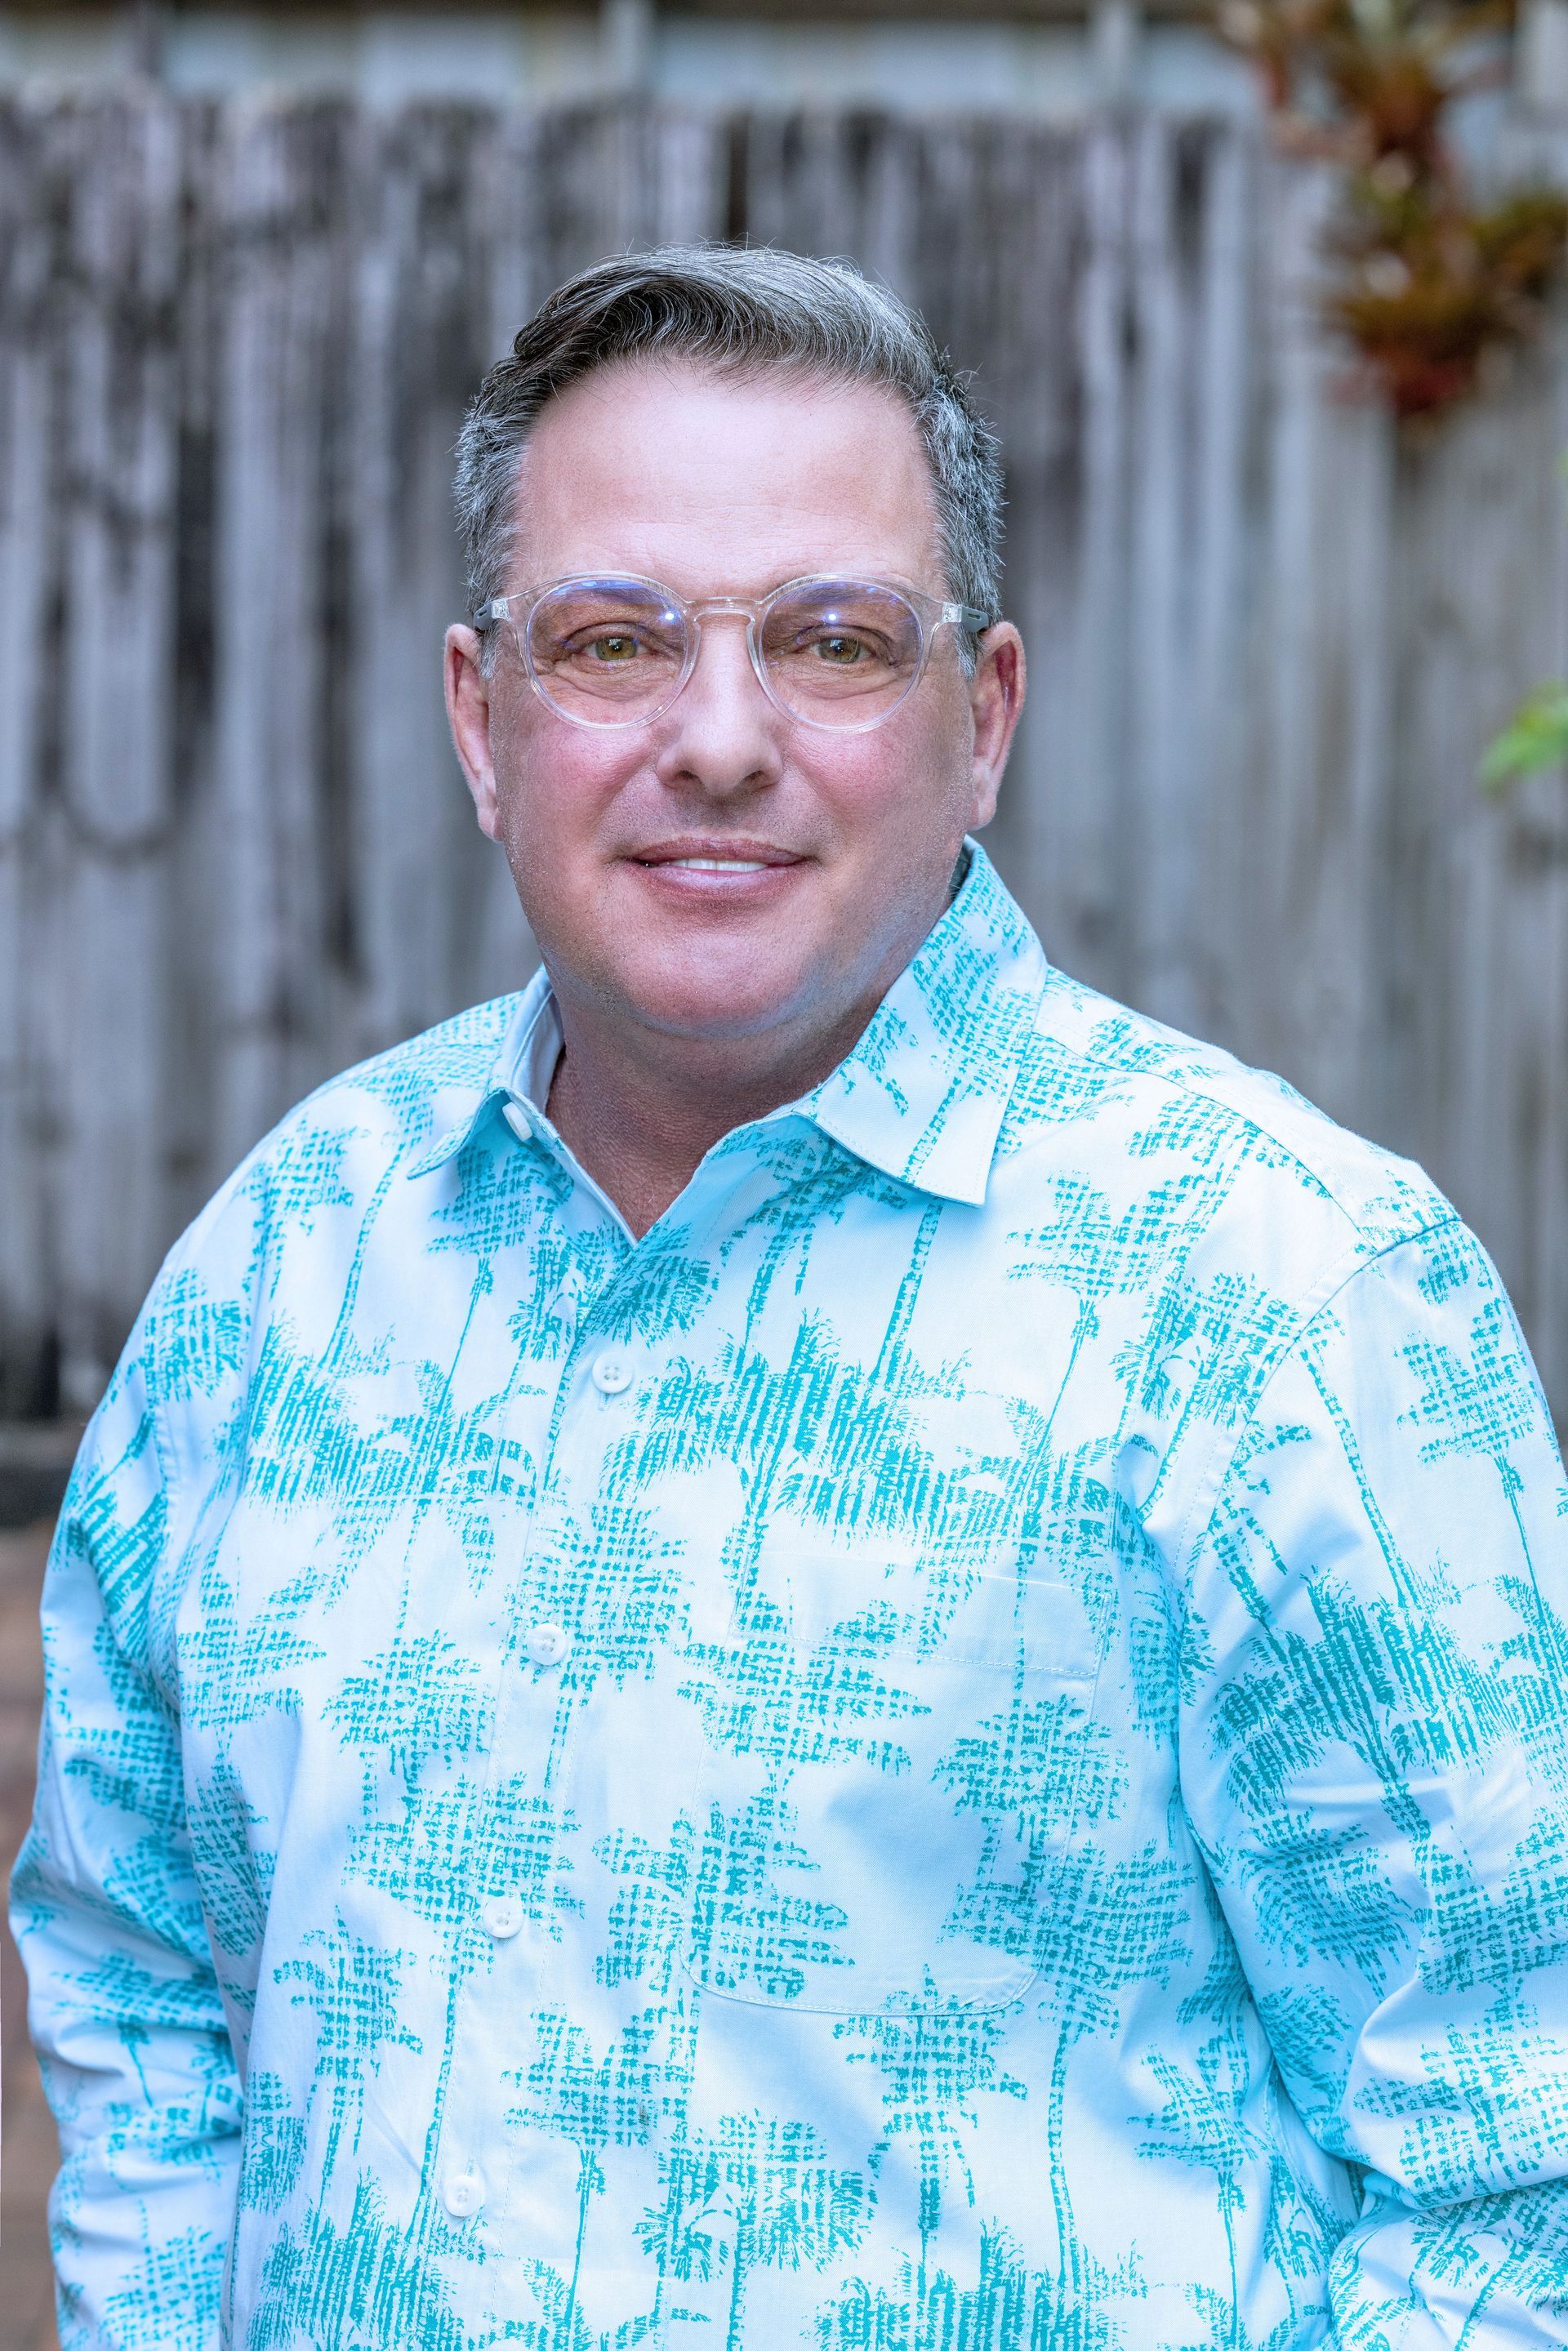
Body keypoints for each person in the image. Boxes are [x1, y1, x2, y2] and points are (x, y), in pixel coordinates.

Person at [14, 244, 1568, 2351]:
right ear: (484, 719)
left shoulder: (1289, 1304)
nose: (718, 742)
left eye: (834, 644)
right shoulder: (286, 1272)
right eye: (612, 642)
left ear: (983, 716)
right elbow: (141, 1985)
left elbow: (1513, 2168)